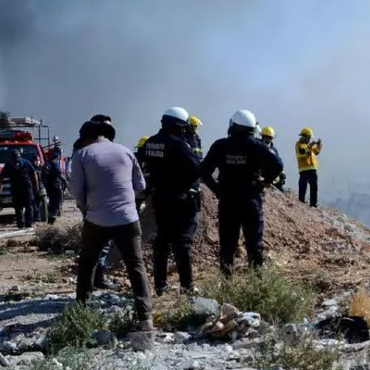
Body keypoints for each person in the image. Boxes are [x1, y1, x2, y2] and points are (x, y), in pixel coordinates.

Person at [69, 116, 153, 331]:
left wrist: (87, 208)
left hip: (96, 219)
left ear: (86, 138)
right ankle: (145, 318)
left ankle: (81, 314)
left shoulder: (82, 155)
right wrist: (125, 201)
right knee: (136, 265)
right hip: (128, 218)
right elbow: (140, 185)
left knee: (88, 264)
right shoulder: (125, 151)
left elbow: (76, 191)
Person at [200, 110, 283, 275]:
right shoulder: (257, 146)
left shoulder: (221, 145)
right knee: (254, 243)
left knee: (227, 244)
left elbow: (203, 170)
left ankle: (227, 281)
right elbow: (278, 165)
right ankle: (256, 280)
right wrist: (266, 181)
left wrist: (217, 190)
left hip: (228, 200)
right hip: (251, 199)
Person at [140, 107, 201, 295]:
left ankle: (160, 285)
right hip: (180, 198)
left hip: (159, 198)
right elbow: (196, 168)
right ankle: (187, 286)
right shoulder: (179, 144)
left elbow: (140, 165)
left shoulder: (150, 142)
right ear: (179, 125)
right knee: (182, 242)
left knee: (162, 241)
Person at [73, 118, 116, 288]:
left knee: (98, 244)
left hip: (98, 205)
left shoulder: (85, 150)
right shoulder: (83, 152)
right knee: (99, 245)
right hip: (96, 205)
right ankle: (96, 281)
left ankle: (93, 281)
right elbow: (77, 184)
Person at [0, 150, 39, 229]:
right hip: (26, 187)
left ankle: (20, 223)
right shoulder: (26, 162)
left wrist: (0, 186)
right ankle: (29, 223)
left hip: (15, 188)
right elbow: (34, 174)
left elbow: (0, 176)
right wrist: (36, 186)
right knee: (29, 206)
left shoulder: (9, 164)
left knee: (18, 207)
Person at [295, 127, 322, 207]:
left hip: (312, 168)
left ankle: (313, 204)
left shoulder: (309, 145)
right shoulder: (299, 145)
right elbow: (301, 155)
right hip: (304, 169)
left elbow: (316, 152)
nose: (309, 139)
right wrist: (309, 147)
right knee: (303, 185)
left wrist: (319, 145)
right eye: (308, 137)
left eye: (310, 138)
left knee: (314, 186)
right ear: (304, 136)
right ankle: (301, 202)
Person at [43, 147, 68, 224]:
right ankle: (52, 216)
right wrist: (66, 183)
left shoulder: (47, 164)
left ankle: (51, 216)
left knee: (52, 201)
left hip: (49, 187)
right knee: (58, 201)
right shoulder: (55, 163)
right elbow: (60, 174)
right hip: (56, 186)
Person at [258, 126, 286, 190]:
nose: (267, 139)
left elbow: (278, 162)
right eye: (266, 137)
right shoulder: (258, 146)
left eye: (269, 138)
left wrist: (282, 174)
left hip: (271, 175)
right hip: (260, 173)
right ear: (262, 137)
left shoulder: (274, 150)